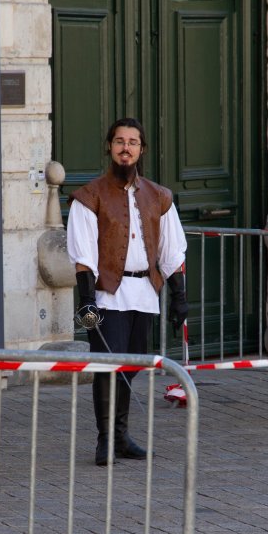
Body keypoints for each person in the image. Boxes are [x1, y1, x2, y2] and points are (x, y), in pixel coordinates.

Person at [67, 117, 188, 466]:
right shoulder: (89, 196)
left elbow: (171, 250)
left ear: (142, 149)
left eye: (133, 142)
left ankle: (121, 436)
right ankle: (105, 439)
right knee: (107, 366)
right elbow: (83, 254)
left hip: (144, 293)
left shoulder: (159, 196)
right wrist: (87, 300)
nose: (126, 147)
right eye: (119, 141)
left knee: (131, 365)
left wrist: (179, 296)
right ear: (109, 146)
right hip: (107, 295)